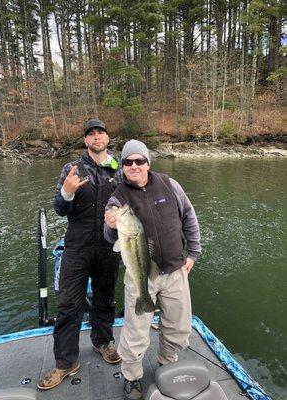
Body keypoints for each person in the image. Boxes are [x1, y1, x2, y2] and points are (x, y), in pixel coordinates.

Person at [104, 139, 201, 400]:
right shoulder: (117, 198)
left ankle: (167, 364)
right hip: (139, 277)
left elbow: (188, 216)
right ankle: (132, 377)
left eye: (139, 160)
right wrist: (112, 224)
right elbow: (109, 235)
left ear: (148, 162)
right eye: (127, 162)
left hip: (175, 269)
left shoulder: (170, 184)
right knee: (135, 332)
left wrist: (193, 252)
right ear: (122, 166)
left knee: (178, 326)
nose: (134, 166)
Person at [37, 119, 122, 391]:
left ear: (107, 138)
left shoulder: (119, 168)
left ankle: (102, 342)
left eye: (100, 132)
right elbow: (60, 209)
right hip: (77, 245)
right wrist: (67, 191)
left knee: (105, 298)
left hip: (110, 246)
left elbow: (133, 203)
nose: (96, 137)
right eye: (91, 134)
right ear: (86, 141)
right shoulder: (72, 168)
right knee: (68, 304)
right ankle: (65, 362)